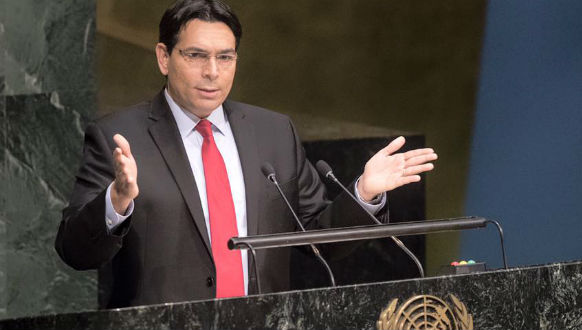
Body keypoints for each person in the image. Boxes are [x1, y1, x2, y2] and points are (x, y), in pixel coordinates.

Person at [55, 0, 436, 308]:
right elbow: (74, 251)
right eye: (196, 56)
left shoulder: (272, 132)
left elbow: (317, 240)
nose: (212, 72)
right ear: (163, 57)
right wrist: (115, 204)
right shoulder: (118, 136)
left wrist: (363, 193)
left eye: (225, 57)